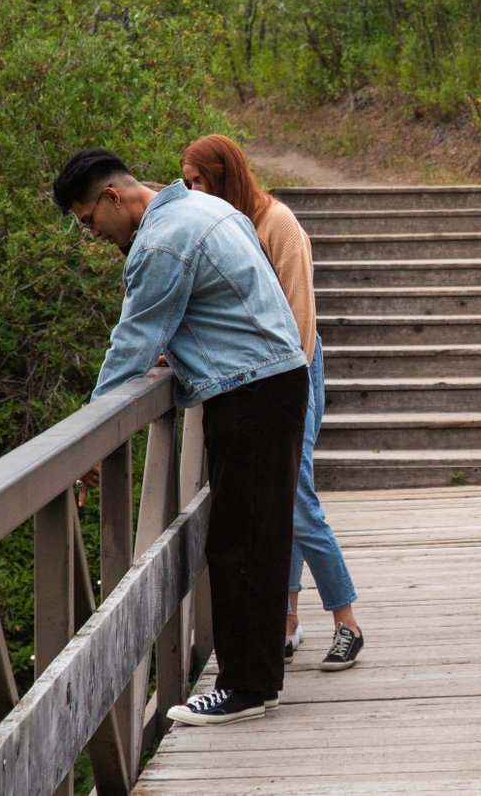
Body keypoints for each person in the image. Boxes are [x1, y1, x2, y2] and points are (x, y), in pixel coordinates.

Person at [53, 148, 308, 725]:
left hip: (250, 390)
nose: (93, 236)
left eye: (90, 222)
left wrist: (90, 436)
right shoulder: (205, 208)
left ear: (112, 198)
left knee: (240, 543)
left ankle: (244, 689)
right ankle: (259, 682)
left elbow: (133, 340)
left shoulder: (163, 240)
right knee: (258, 538)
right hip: (273, 381)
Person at [181, 134, 365, 671]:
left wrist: (292, 395)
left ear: (220, 175)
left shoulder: (276, 224)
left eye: (196, 181)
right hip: (254, 381)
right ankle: (285, 619)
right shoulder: (219, 226)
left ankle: (346, 621)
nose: (190, 191)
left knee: (295, 496)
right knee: (278, 498)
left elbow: (300, 321)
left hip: (295, 372)